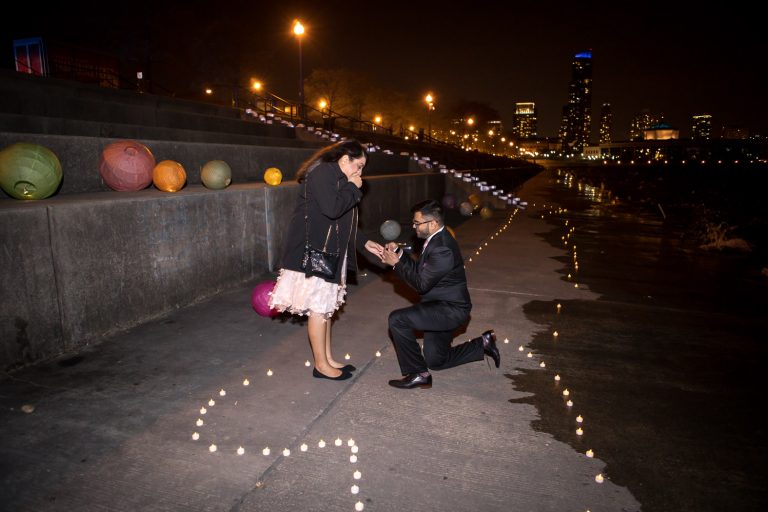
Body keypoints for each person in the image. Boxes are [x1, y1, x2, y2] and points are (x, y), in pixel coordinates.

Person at [269, 140, 384, 381]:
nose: (360, 172)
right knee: (319, 308)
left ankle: (327, 358)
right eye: (359, 165)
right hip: (313, 251)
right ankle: (321, 365)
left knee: (326, 307)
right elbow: (332, 209)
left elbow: (342, 220)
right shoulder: (323, 173)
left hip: (327, 249)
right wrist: (354, 188)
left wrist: (363, 243)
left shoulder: (339, 178)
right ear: (345, 160)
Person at [380, 199, 499, 389]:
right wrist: (400, 255)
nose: (414, 226)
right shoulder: (435, 239)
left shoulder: (443, 248)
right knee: (436, 360)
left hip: (450, 310)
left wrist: (396, 263)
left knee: (397, 320)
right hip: (440, 304)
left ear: (433, 223)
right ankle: (482, 344)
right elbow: (421, 271)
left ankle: (418, 373)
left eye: (418, 223)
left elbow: (421, 284)